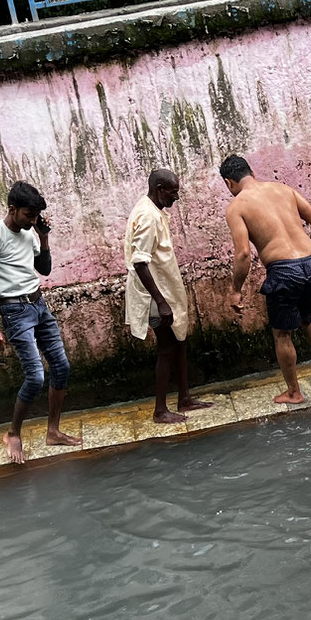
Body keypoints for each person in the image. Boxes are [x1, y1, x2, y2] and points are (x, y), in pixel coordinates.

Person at [221, 154, 311, 405]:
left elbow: (244, 253)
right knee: (308, 318)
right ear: (252, 173)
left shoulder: (237, 206)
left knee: (282, 334)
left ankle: (293, 392)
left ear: (229, 183)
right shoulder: (282, 189)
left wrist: (235, 289)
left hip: (283, 270)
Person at [0, 180, 81, 464]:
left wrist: (43, 237)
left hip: (38, 304)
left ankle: (53, 431)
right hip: (13, 311)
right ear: (12, 208)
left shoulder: (30, 233)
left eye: (35, 216)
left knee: (62, 366)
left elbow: (43, 269)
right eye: (28, 215)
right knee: (35, 375)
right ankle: (13, 433)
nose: (32, 220)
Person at [125, 167, 212, 426]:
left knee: (180, 341)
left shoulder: (154, 210)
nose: (176, 198)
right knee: (167, 348)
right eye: (173, 193)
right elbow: (139, 263)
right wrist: (161, 302)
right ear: (160, 190)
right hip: (155, 296)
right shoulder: (148, 216)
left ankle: (184, 397)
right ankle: (160, 410)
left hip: (166, 290)